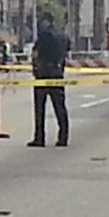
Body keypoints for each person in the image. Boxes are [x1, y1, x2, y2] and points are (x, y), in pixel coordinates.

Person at [30, 11, 71, 147]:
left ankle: (39, 137)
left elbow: (36, 53)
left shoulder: (44, 36)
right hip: (58, 73)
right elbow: (66, 52)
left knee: (40, 108)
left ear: (46, 21)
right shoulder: (63, 36)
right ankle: (63, 137)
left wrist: (34, 67)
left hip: (43, 74)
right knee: (60, 107)